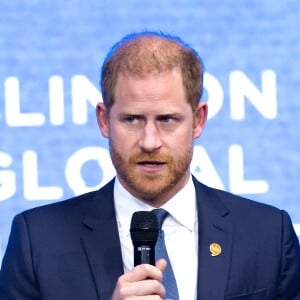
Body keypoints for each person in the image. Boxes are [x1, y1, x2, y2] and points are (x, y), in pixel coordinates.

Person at [0, 31, 300, 300]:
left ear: (198, 120)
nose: (149, 141)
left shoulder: (268, 234)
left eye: (167, 120)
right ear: (104, 120)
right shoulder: (37, 241)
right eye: (132, 119)